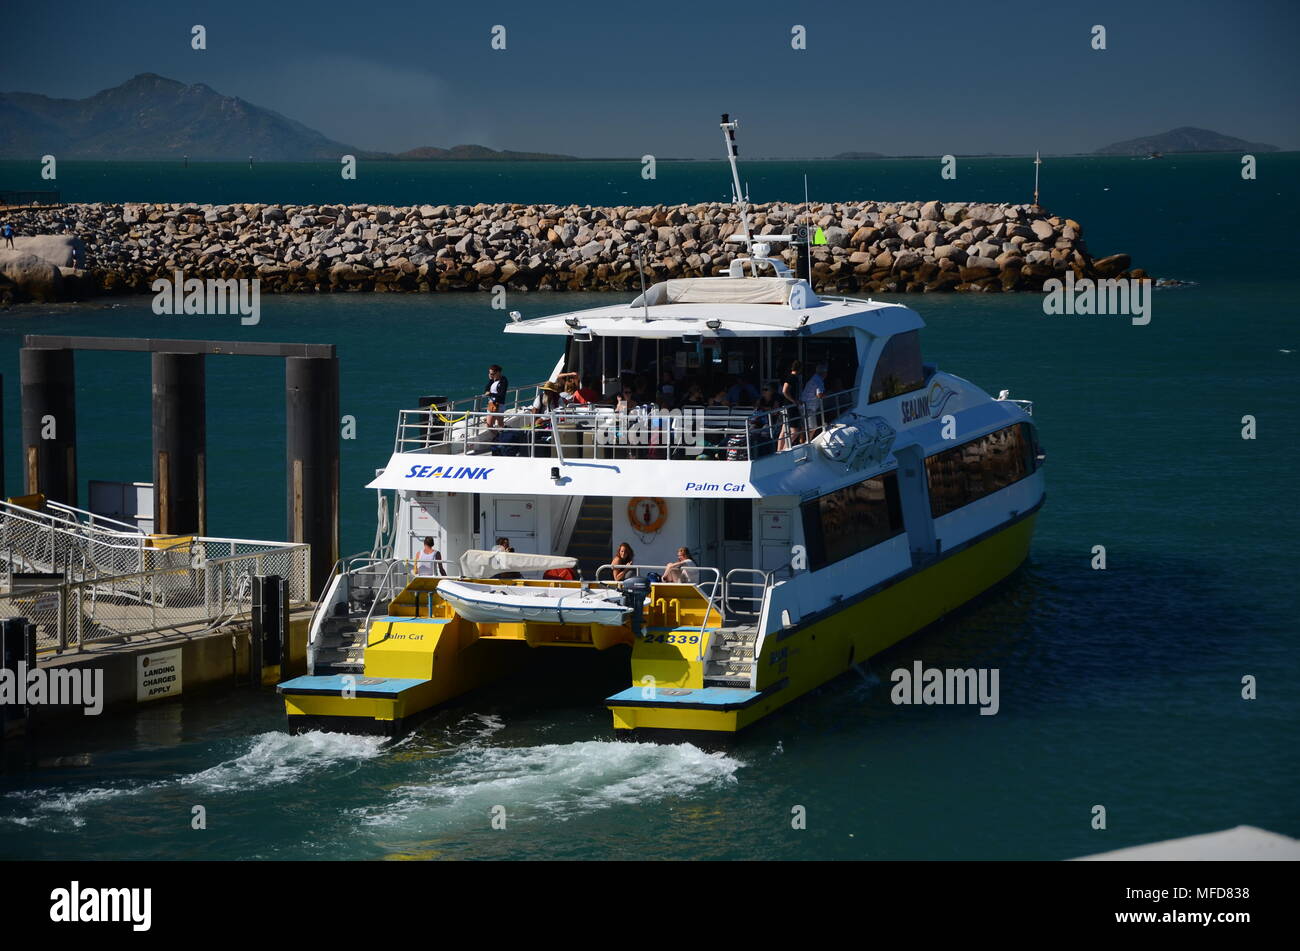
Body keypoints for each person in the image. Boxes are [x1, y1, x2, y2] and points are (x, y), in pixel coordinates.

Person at [779, 360, 805, 451]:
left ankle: (779, 451)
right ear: (800, 368)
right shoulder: (792, 378)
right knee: (795, 432)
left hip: (787, 406)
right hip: (790, 407)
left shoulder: (792, 377)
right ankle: (784, 450)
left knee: (783, 430)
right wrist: (794, 401)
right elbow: (784, 391)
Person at [802, 362, 827, 437]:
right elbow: (819, 395)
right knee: (813, 428)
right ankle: (807, 443)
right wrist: (827, 395)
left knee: (805, 428)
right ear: (824, 373)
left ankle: (803, 442)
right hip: (809, 407)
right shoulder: (819, 380)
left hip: (804, 406)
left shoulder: (814, 378)